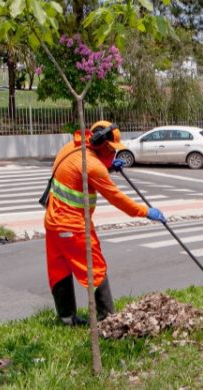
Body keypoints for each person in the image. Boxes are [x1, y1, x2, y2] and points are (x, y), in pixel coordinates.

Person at [44, 120, 167, 326]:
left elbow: (79, 173)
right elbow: (117, 198)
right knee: (95, 269)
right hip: (73, 226)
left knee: (60, 269)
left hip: (53, 223)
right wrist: (146, 211)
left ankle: (66, 318)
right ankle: (108, 319)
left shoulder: (72, 148)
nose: (113, 154)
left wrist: (109, 166)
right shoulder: (92, 166)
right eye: (110, 150)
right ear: (100, 144)